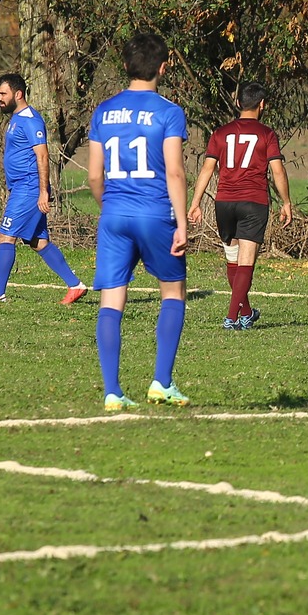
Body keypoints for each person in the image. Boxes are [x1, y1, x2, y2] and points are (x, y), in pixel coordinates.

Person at [86, 30, 191, 412]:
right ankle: (161, 382)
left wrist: (110, 205)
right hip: (155, 213)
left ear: (126, 66)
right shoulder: (168, 111)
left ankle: (113, 391)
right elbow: (175, 172)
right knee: (173, 293)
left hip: (114, 215)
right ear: (163, 67)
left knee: (112, 299)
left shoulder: (103, 111)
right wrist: (182, 222)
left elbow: (94, 176)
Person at [0, 73, 87, 305]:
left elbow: (42, 155)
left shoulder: (31, 119)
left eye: (3, 93)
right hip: (22, 187)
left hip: (29, 188)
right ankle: (75, 285)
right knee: (37, 242)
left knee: (6, 235)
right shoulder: (17, 118)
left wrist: (43, 192)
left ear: (18, 94)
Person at [187, 81, 293, 331]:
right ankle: (231, 317)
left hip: (224, 202)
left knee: (233, 261)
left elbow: (207, 169)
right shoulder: (267, 134)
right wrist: (286, 202)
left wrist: (196, 203)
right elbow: (277, 171)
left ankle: (245, 312)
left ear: (237, 103)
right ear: (262, 105)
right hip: (253, 202)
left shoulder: (221, 133)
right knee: (245, 263)